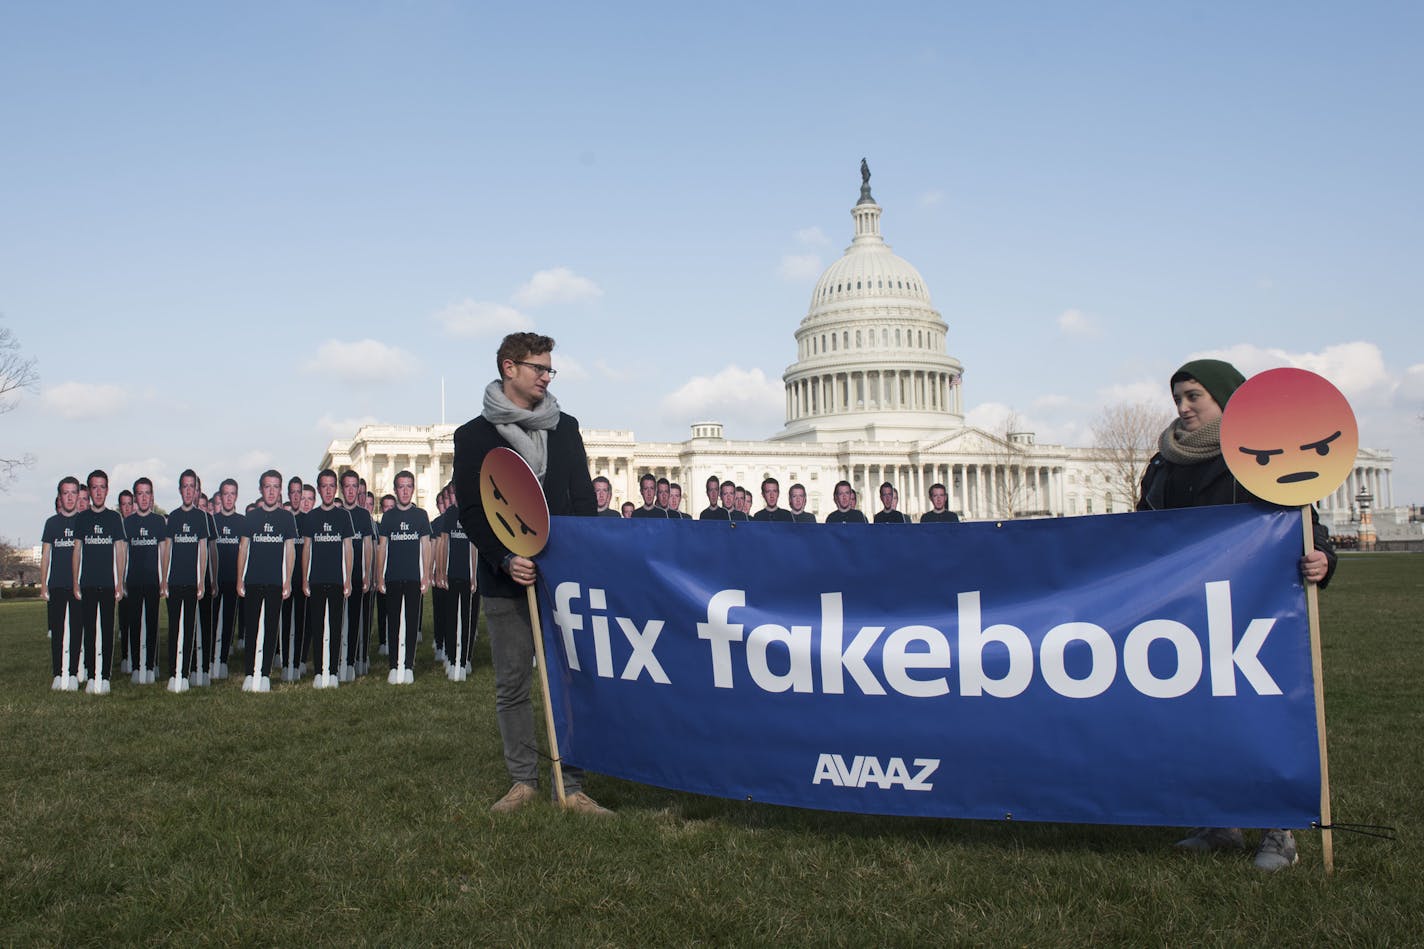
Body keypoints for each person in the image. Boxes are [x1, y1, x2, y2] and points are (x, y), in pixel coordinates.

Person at [1137, 358, 1335, 872]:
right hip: (1183, 613)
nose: (1182, 407)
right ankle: (1219, 820)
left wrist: (1323, 558)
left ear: (1227, 399)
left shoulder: (1261, 454)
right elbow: (1139, 535)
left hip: (1253, 611)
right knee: (1199, 716)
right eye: (1178, 397)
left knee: (1258, 715)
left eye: (1194, 397)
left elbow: (1305, 523)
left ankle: (1278, 830)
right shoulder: (1163, 464)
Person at [453, 331, 610, 816]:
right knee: (514, 683)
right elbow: (474, 511)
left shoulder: (566, 428)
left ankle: (573, 782)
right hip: (508, 578)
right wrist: (505, 557)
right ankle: (523, 781)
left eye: (549, 369)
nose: (546, 376)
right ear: (509, 368)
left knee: (568, 680)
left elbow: (582, 500)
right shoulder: (474, 436)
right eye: (538, 367)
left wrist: (574, 560)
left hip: (562, 578)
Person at [236, 470, 297, 693]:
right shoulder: (251, 517)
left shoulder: (286, 518)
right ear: (261, 489)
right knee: (252, 628)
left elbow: (290, 550)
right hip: (252, 581)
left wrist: (287, 580)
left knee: (271, 629)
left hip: (275, 583)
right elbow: (243, 548)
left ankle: (265, 674)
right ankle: (250, 673)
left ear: (280, 490)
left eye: (275, 487)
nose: (271, 491)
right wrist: (239, 579)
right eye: (267, 487)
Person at [72, 470, 128, 694]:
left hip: (108, 584)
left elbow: (121, 550)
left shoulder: (114, 518)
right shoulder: (82, 518)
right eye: (94, 487)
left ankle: (104, 676)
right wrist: (75, 582)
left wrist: (119, 582)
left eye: (102, 487)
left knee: (106, 631)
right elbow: (77, 551)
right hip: (86, 584)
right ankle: (91, 674)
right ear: (89, 489)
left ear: (107, 490)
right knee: (89, 631)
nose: (98, 491)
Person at [376, 470, 430, 684]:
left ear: (413, 489)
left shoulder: (421, 516)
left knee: (410, 622)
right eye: (401, 486)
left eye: (409, 486)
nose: (405, 491)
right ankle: (393, 666)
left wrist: (426, 575)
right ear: (395, 489)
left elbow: (426, 547)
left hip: (414, 578)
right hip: (392, 578)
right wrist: (379, 577)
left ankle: (408, 665)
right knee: (394, 623)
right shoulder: (388, 517)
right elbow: (382, 548)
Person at [303, 469, 354, 689]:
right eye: (324, 486)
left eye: (331, 486)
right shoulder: (311, 517)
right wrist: (305, 579)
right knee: (317, 627)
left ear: (336, 489)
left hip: (336, 581)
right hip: (315, 580)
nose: (328, 490)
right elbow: (306, 549)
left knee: (334, 627)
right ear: (318, 488)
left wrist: (348, 579)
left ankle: (332, 671)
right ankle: (318, 672)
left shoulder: (344, 516)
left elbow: (348, 549)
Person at [164, 469, 211, 692]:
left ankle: (186, 672)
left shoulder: (200, 517)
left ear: (196, 490)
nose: (188, 490)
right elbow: (167, 550)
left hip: (193, 583)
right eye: (185, 486)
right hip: (174, 582)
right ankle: (174, 673)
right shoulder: (172, 517)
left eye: (192, 486)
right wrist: (164, 580)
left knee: (189, 628)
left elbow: (203, 550)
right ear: (180, 489)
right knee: (174, 628)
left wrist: (201, 580)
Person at [435, 482, 479, 681]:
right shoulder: (451, 514)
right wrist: (441, 572)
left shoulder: (472, 513)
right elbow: (443, 542)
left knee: (468, 619)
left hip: (468, 575)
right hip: (452, 575)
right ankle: (452, 658)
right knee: (452, 618)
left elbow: (474, 546)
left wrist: (473, 575)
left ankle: (465, 658)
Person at [41, 476, 82, 689]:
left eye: (73, 492)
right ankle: (58, 673)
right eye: (65, 493)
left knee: (76, 631)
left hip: (79, 587)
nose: (69, 497)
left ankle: (74, 674)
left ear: (78, 495)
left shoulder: (84, 522)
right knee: (58, 632)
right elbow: (46, 555)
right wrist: (43, 583)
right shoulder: (51, 523)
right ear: (60, 497)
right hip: (57, 584)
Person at [340, 470, 376, 678]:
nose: (352, 491)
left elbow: (368, 547)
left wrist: (366, 575)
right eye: (348, 486)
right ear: (342, 489)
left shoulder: (363, 516)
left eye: (355, 487)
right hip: (338, 576)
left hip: (356, 576)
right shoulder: (337, 512)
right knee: (338, 621)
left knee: (355, 620)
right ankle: (337, 659)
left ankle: (351, 661)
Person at [211, 478, 245, 679]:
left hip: (234, 580)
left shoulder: (242, 522)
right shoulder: (212, 521)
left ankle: (222, 659)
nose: (229, 497)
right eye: (226, 494)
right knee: (213, 622)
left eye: (233, 493)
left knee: (228, 623)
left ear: (236, 496)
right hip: (214, 581)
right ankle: (210, 658)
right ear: (220, 496)